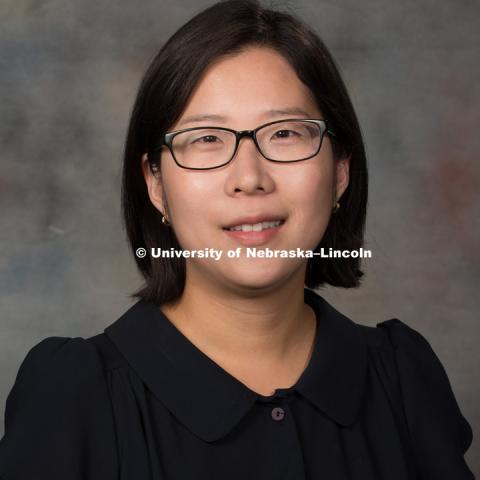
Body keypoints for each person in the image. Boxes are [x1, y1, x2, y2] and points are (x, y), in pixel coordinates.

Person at [0, 0, 475, 479]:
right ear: (156, 184)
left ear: (340, 172)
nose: (249, 178)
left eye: (286, 133)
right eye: (206, 138)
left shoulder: (402, 379)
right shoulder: (73, 395)